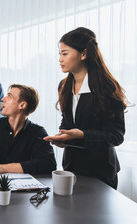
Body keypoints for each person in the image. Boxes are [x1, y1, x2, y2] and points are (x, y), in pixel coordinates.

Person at [44, 27, 127, 189]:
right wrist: (63, 137)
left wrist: (82, 135)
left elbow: (116, 136)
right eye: (59, 54)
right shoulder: (64, 86)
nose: (60, 59)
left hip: (101, 172)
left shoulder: (107, 88)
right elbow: (67, 122)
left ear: (83, 54)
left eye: (65, 53)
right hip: (72, 170)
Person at [0, 84, 56, 176]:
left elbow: (48, 164)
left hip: (24, 188)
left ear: (22, 105)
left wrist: (2, 168)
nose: (3, 99)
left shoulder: (38, 132)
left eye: (9, 96)